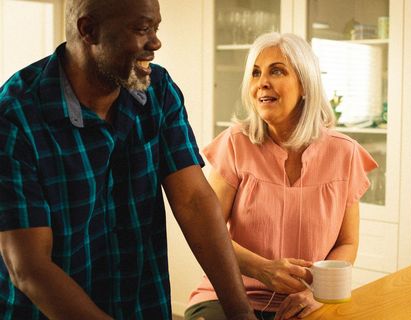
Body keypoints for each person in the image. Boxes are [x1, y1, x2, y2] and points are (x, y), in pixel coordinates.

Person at [0, 0, 257, 319]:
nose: (156, 42)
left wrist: (241, 312)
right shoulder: (16, 116)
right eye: (141, 28)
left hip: (141, 305)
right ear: (89, 30)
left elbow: (193, 200)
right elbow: (28, 267)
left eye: (156, 28)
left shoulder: (159, 91)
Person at [185, 32, 378, 320]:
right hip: (229, 297)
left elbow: (347, 242)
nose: (262, 81)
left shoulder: (344, 153)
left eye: (277, 70)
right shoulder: (236, 143)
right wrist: (262, 269)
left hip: (310, 301)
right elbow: (206, 234)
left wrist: (317, 292)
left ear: (305, 85)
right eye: (255, 72)